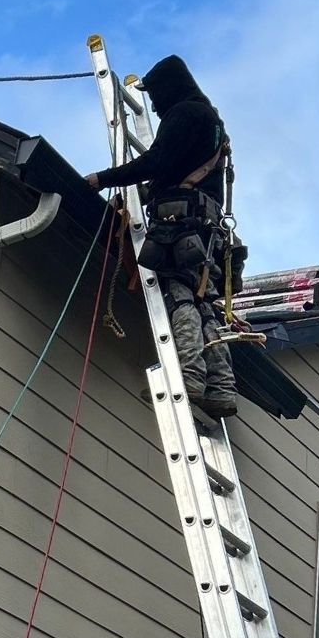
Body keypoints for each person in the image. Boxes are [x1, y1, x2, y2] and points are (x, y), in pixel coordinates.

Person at [86, 55, 242, 419]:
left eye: (155, 95)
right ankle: (222, 388)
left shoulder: (183, 114)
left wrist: (102, 179)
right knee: (205, 304)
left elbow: (157, 161)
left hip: (181, 223)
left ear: (170, 88)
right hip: (207, 226)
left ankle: (189, 379)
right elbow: (176, 166)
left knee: (181, 295)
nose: (153, 105)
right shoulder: (210, 120)